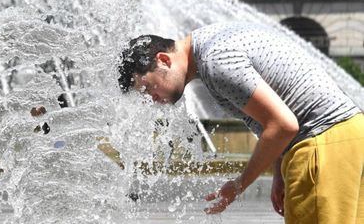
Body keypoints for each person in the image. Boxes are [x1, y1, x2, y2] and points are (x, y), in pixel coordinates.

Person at [118, 21, 364, 223]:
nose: (153, 99)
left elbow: (283, 125)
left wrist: (238, 185)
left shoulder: (215, 62)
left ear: (163, 59)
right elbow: (280, 109)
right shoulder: (213, 40)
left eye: (148, 88)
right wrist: (279, 171)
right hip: (348, 136)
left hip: (322, 145)